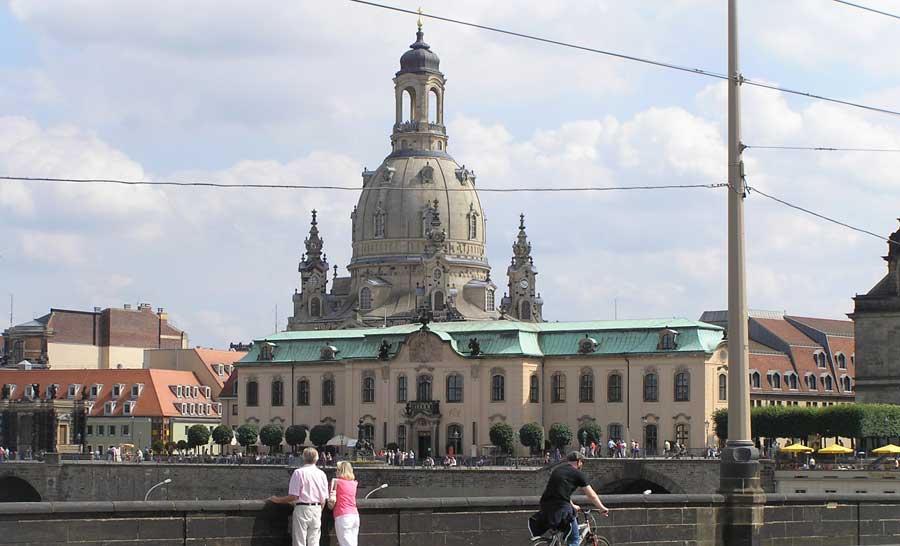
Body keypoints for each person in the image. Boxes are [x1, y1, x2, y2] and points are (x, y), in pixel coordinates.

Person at [528, 451, 609, 546]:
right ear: (578, 461)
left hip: (545, 507)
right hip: (560, 509)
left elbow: (560, 492)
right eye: (582, 462)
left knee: (564, 529)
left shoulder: (557, 470)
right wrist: (602, 508)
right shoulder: (578, 474)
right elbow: (592, 495)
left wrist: (572, 505)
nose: (582, 464)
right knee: (574, 539)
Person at [268, 447, 329, 546]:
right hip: (317, 508)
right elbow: (324, 499)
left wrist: (277, 500)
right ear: (317, 459)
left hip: (302, 508)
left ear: (303, 458)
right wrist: (319, 510)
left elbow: (293, 496)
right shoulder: (322, 474)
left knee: (299, 540)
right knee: (314, 541)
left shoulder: (298, 473)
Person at [331, 461, 360, 546]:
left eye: (337, 469)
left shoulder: (337, 482)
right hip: (354, 515)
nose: (336, 471)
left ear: (341, 471)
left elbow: (331, 500)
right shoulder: (354, 483)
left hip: (342, 515)